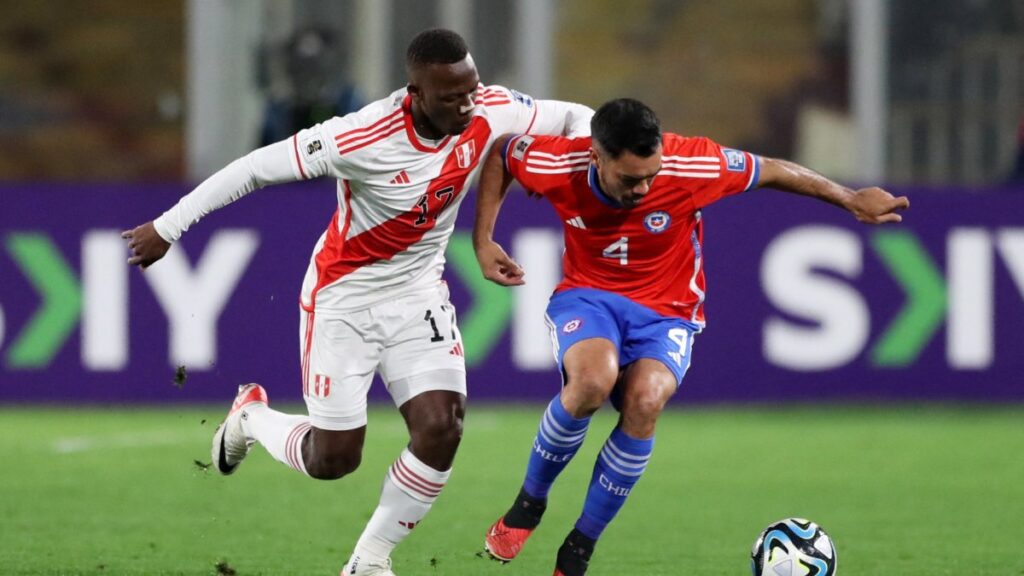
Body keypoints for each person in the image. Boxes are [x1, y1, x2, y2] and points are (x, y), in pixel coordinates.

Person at [122, 29, 592, 576]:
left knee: (443, 427)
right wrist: (167, 225)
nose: (467, 106)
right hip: (344, 300)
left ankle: (369, 561)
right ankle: (251, 417)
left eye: (471, 90)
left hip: (419, 294)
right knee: (334, 459)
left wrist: (574, 164)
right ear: (414, 92)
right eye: (450, 97)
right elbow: (252, 169)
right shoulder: (359, 136)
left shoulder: (490, 107)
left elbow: (577, 117)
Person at [473, 98, 909, 576]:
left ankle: (580, 545)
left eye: (651, 175)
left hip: (667, 310)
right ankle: (529, 504)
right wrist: (484, 239)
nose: (643, 187)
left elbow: (774, 171)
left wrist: (849, 198)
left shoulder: (692, 163)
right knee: (593, 382)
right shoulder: (559, 162)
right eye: (630, 178)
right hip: (589, 296)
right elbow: (502, 153)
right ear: (595, 156)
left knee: (646, 399)